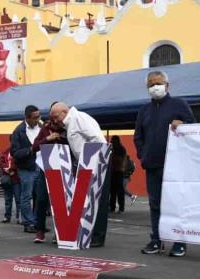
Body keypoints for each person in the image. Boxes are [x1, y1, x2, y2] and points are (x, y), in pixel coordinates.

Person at [134, 71, 195, 257]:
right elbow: (138, 137)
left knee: (176, 204)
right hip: (152, 165)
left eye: (158, 83)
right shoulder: (144, 110)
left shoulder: (179, 105)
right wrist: (143, 156)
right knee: (155, 205)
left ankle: (179, 241)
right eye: (151, 84)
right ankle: (156, 240)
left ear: (167, 85)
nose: (155, 87)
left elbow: (194, 127)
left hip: (175, 166)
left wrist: (183, 123)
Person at [49, 101, 108, 247]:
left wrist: (94, 160)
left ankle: (97, 237)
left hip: (95, 162)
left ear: (64, 111)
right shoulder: (71, 123)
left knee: (97, 202)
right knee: (86, 202)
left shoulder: (79, 118)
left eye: (56, 117)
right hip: (85, 163)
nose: (55, 121)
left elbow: (98, 139)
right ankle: (87, 233)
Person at [30, 117, 69, 243]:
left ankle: (59, 233)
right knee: (41, 200)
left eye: (58, 118)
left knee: (59, 202)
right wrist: (48, 139)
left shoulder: (68, 128)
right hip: (44, 168)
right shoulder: (45, 129)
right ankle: (40, 231)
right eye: (54, 118)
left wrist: (61, 139)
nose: (56, 121)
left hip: (62, 169)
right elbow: (34, 146)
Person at [10, 105, 41, 233]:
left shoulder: (41, 127)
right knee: (26, 196)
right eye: (35, 118)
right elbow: (14, 153)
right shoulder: (18, 131)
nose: (38, 119)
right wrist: (30, 149)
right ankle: (28, 223)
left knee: (40, 196)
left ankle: (38, 222)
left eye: (39, 116)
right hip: (26, 168)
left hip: (40, 166)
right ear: (27, 118)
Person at [0, 144, 21, 224]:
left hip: (16, 178)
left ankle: (19, 217)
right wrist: (7, 169)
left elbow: (20, 162)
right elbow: (2, 161)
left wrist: (13, 170)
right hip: (7, 178)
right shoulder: (7, 150)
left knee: (18, 199)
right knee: (8, 199)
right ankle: (7, 217)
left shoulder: (19, 150)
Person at [109, 135, 128, 213]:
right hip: (113, 171)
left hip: (119, 171)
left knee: (120, 190)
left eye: (113, 141)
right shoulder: (112, 149)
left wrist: (122, 168)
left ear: (117, 141)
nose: (112, 142)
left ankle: (121, 208)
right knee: (112, 190)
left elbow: (124, 158)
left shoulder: (121, 149)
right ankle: (112, 207)